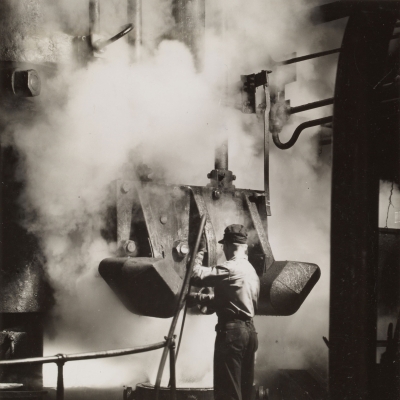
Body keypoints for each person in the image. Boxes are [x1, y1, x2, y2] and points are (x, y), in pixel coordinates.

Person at [188, 224, 260, 400]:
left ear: (227, 246)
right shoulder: (251, 271)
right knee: (243, 391)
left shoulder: (230, 268)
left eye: (223, 246)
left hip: (232, 334)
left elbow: (195, 275)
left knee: (227, 393)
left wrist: (199, 250)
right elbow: (229, 301)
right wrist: (199, 298)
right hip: (249, 333)